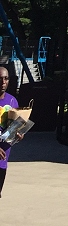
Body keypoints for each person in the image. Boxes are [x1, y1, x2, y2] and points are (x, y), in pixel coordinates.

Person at [0, 68, 19, 198]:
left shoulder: (12, 101)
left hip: (2, 160)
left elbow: (14, 128)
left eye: (6, 78)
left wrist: (18, 135)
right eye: (0, 78)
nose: (3, 82)